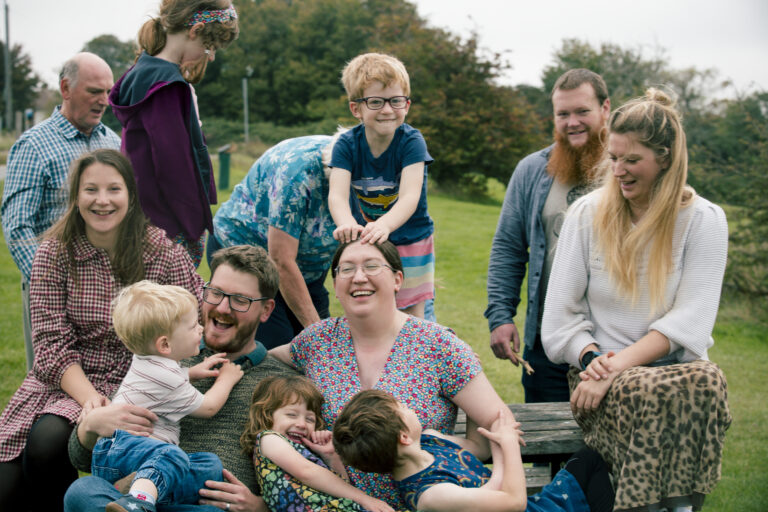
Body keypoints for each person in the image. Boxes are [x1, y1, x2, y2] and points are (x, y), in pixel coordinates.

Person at [541, 89, 731, 512]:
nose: (618, 170)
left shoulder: (704, 220)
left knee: (708, 380)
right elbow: (558, 321)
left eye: (631, 160)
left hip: (676, 377)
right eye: (613, 158)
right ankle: (646, 507)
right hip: (598, 381)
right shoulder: (588, 214)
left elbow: (692, 321)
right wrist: (598, 364)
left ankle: (681, 505)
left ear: (664, 158)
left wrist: (619, 366)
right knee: (642, 391)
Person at [0, 149, 203, 511]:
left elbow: (195, 317)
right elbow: (50, 344)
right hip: (66, 380)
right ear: (76, 197)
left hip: (140, 379)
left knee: (49, 439)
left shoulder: (162, 254)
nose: (102, 200)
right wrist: (89, 400)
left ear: (131, 195)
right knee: (9, 490)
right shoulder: (54, 253)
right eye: (91, 189)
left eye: (114, 189)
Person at [270, 239, 514, 509]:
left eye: (372, 266)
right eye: (346, 269)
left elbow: (496, 423)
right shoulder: (317, 342)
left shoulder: (438, 345)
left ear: (398, 279)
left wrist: (449, 445)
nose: (359, 277)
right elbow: (262, 359)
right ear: (336, 285)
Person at [65, 244, 299, 512]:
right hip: (133, 498)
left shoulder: (281, 384)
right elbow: (80, 457)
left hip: (206, 506)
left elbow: (305, 474)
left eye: (240, 300)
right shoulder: (166, 357)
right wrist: (90, 426)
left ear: (267, 310)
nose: (223, 308)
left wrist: (262, 507)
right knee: (81, 491)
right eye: (215, 293)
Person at [485, 69, 611, 404]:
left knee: (607, 451)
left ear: (606, 109)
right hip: (549, 341)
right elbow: (508, 248)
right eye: (563, 114)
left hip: (614, 344)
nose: (573, 122)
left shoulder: (624, 168)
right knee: (547, 448)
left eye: (582, 111)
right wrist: (500, 316)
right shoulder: (532, 170)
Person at [1, 52, 121, 370]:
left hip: (111, 284)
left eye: (108, 92)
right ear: (66, 88)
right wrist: (49, 283)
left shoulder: (114, 144)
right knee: (52, 379)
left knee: (111, 379)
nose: (104, 100)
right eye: (94, 91)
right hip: (53, 288)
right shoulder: (34, 146)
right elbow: (17, 226)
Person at [93, 281, 244, 512]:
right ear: (165, 344)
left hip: (121, 453)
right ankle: (138, 501)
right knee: (173, 455)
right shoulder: (167, 378)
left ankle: (140, 491)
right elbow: (209, 407)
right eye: (193, 326)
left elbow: (166, 381)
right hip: (128, 451)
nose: (201, 329)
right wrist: (227, 379)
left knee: (209, 465)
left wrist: (192, 372)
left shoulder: (147, 361)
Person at [110, 0, 239, 266]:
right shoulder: (165, 86)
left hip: (146, 223)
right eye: (209, 46)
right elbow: (174, 166)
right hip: (168, 229)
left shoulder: (144, 73)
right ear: (195, 30)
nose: (211, 55)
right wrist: (192, 228)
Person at [334, 390, 615, 512]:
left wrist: (465, 392)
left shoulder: (430, 439)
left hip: (523, 503)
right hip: (519, 507)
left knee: (587, 459)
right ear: (404, 437)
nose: (407, 406)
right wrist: (506, 446)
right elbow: (512, 501)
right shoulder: (431, 496)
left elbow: (476, 450)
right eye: (401, 409)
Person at [329, 52, 435, 319]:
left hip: (411, 236)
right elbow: (338, 196)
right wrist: (346, 224)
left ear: (407, 105)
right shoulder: (346, 145)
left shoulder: (411, 142)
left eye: (395, 101)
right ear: (356, 109)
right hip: (369, 239)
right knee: (369, 303)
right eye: (375, 102)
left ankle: (417, 355)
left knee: (412, 312)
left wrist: (385, 225)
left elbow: (410, 197)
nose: (387, 110)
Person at [210, 135, 339, 348]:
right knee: (278, 347)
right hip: (249, 254)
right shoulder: (298, 174)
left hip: (308, 266)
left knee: (321, 343)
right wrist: (317, 337)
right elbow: (281, 260)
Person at [240, 375, 393, 512]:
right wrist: (365, 498)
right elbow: (306, 472)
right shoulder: (269, 439)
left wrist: (331, 455)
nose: (301, 424)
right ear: (266, 415)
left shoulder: (305, 453)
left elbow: (343, 486)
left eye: (309, 419)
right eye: (291, 415)